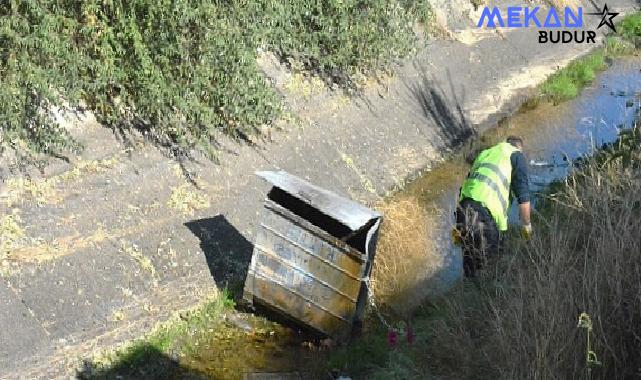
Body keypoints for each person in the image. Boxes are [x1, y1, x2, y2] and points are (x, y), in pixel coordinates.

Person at [454, 136, 532, 277]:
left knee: (470, 266)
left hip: (463, 210)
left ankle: (470, 292)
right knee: (493, 264)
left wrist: (458, 227)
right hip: (483, 213)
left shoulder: (486, 153)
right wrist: (527, 227)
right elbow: (524, 197)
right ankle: (489, 294)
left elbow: (468, 185)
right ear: (519, 148)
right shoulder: (516, 155)